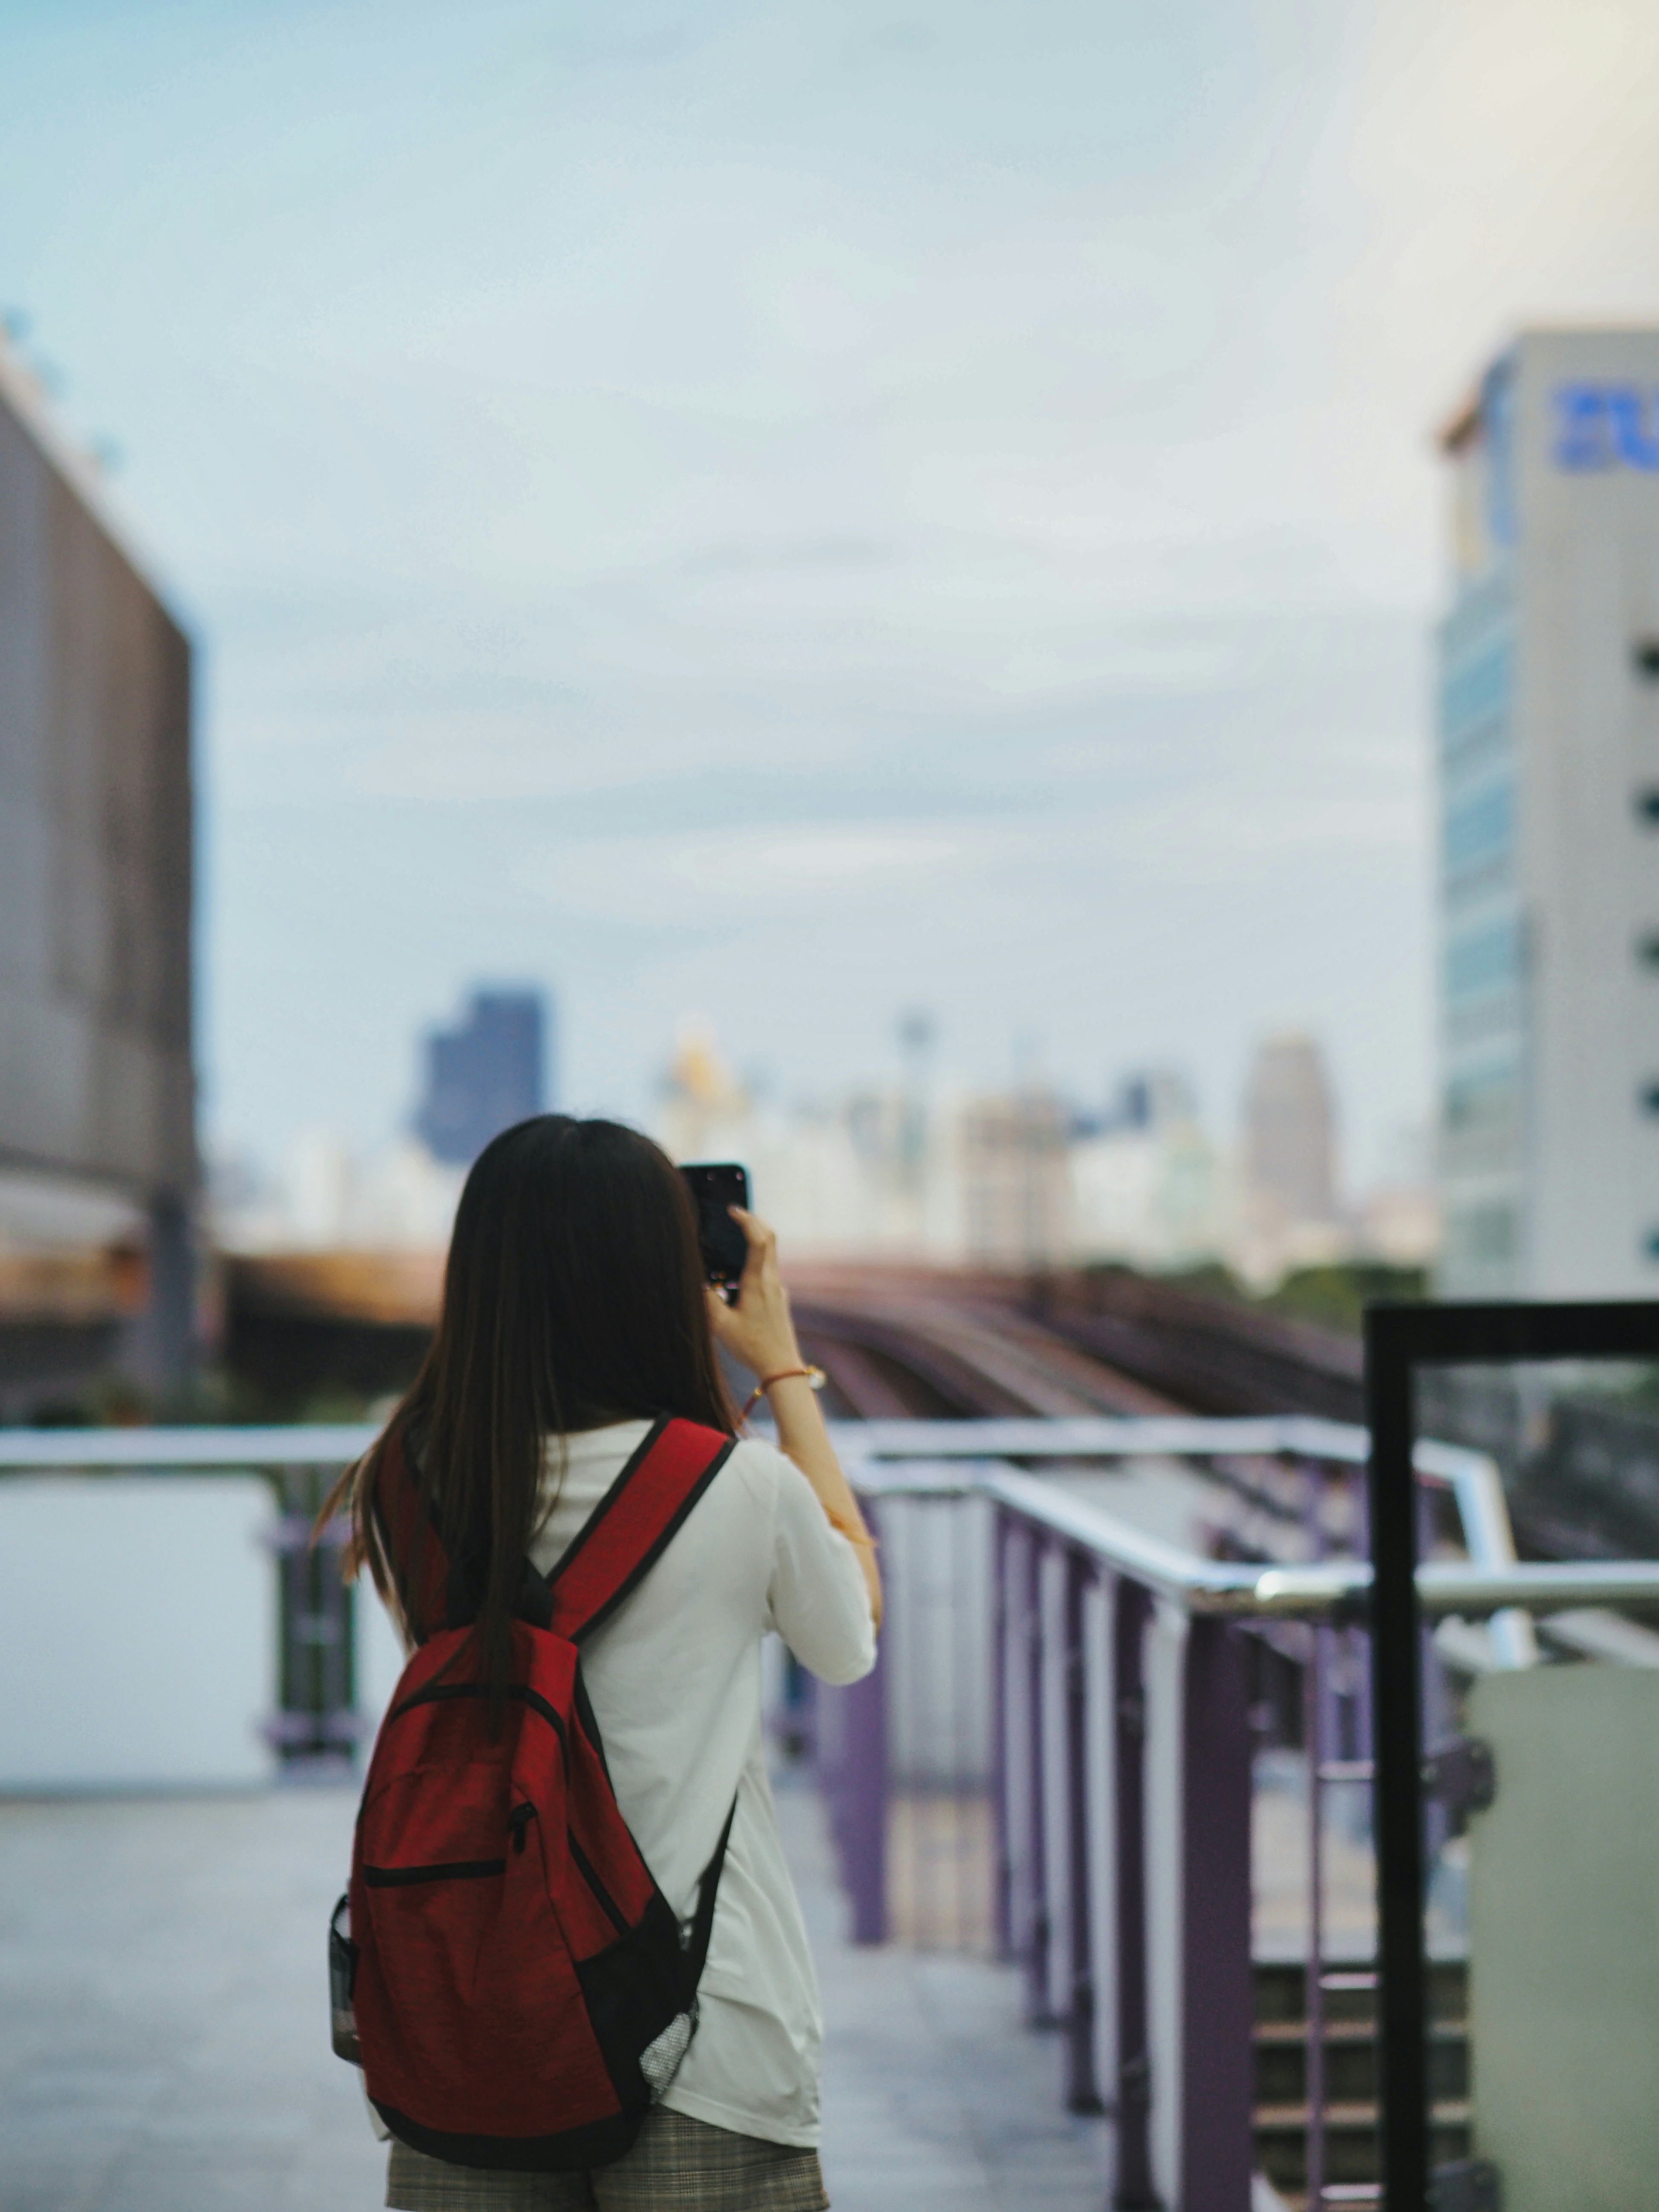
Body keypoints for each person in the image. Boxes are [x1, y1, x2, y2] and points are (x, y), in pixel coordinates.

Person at [330, 1115, 881, 2212]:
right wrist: (780, 1369)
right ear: (662, 1277)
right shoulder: (741, 1488)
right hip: (702, 2037)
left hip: (475, 2029)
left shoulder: (408, 1478)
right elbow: (849, 1637)